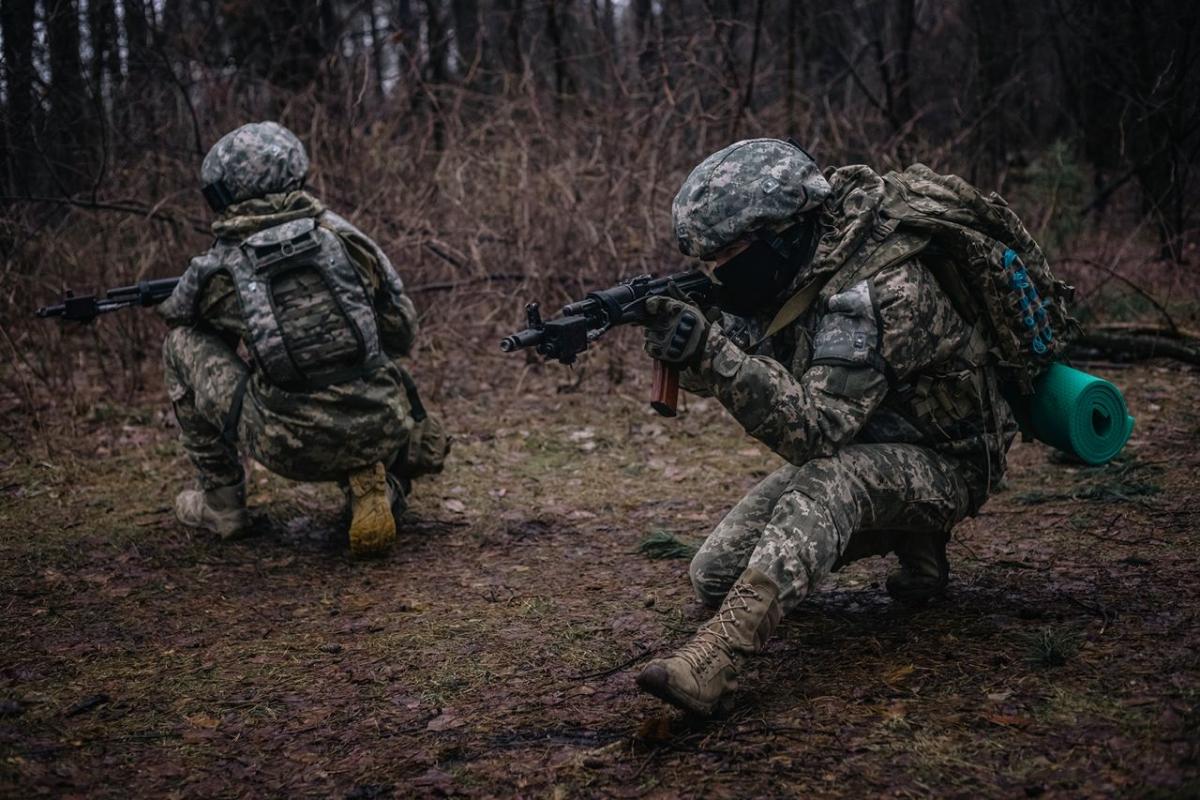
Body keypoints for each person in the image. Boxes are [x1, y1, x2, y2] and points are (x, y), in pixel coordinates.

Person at [633, 138, 1035, 716]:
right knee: (714, 574)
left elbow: (816, 431)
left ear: (782, 234)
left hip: (950, 460)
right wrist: (695, 350)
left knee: (829, 479)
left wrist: (712, 355)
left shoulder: (877, 291)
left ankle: (713, 662)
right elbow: (747, 354)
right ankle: (909, 534)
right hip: (872, 441)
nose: (719, 273)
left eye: (729, 256)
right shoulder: (801, 270)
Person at [158, 121, 448, 557]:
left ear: (223, 190)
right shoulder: (348, 239)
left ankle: (223, 504)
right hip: (384, 425)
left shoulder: (218, 269)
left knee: (179, 344)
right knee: (360, 369)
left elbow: (178, 316)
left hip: (288, 446)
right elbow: (402, 332)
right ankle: (370, 482)